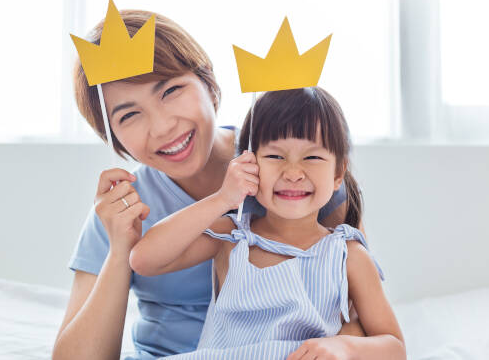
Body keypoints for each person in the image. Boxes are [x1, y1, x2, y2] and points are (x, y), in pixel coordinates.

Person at [53, 11, 360, 360]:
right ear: (113, 137)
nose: (163, 126)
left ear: (208, 81)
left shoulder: (293, 175)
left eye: (170, 91)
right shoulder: (120, 211)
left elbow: (357, 306)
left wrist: (337, 348)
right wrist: (121, 248)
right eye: (129, 115)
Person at [130, 87, 406, 360]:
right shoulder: (233, 236)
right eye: (275, 156)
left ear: (338, 173)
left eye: (312, 157)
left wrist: (345, 347)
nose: (294, 173)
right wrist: (222, 199)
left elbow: (394, 347)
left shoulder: (349, 255)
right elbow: (144, 259)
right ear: (248, 163)